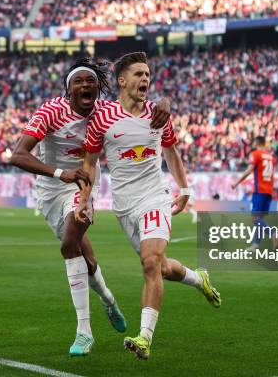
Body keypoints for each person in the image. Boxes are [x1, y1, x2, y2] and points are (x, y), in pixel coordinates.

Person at [10, 57, 171, 356]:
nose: (86, 85)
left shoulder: (104, 112)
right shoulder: (51, 111)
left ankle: (84, 331)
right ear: (68, 90)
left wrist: (165, 100)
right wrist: (60, 173)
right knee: (88, 261)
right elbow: (17, 155)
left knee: (69, 244)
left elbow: (141, 101)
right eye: (78, 82)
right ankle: (109, 300)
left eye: (91, 82)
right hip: (50, 190)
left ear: (98, 88)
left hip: (83, 185)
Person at [75, 52, 220, 360]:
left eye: (148, 75)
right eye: (139, 74)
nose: (145, 79)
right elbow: (88, 162)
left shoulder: (157, 113)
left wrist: (183, 188)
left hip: (155, 197)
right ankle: (199, 279)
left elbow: (172, 151)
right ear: (122, 81)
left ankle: (144, 337)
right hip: (124, 206)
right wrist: (84, 200)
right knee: (162, 267)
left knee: (150, 262)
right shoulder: (103, 118)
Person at [231, 136, 276, 250]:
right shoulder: (270, 156)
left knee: (256, 218)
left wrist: (237, 182)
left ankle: (273, 234)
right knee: (259, 218)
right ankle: (256, 244)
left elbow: (249, 170)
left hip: (260, 190)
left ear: (257, 142)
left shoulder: (256, 154)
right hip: (268, 190)